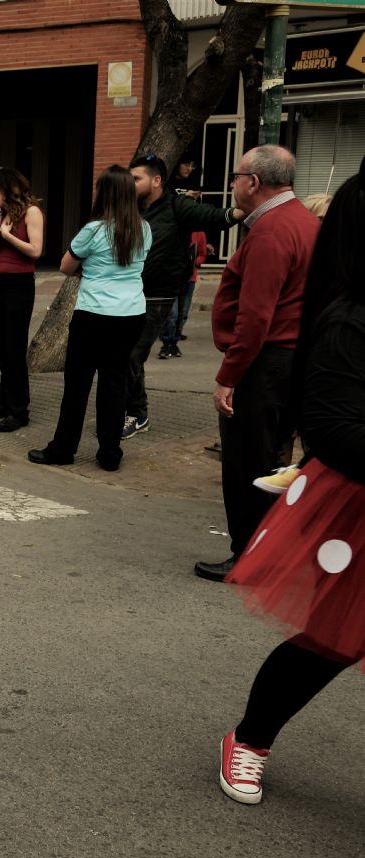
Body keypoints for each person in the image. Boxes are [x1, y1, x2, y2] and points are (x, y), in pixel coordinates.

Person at [216, 168, 364, 805]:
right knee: (332, 640)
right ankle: (249, 739)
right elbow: (332, 427)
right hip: (356, 504)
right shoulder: (349, 321)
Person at [195, 145, 320, 582]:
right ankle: (271, 550)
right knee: (272, 463)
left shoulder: (271, 231)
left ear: (253, 182)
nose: (231, 183)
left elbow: (255, 317)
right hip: (289, 360)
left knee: (249, 462)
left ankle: (248, 555)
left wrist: (228, 377)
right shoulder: (304, 221)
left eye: (235, 175)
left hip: (266, 364)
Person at [27, 165, 151, 472]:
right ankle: (110, 453)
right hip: (132, 314)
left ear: (105, 193)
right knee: (115, 384)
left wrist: (90, 267)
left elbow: (66, 267)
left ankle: (63, 449)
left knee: (78, 385)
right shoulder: (144, 229)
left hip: (94, 315)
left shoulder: (94, 230)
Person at [123, 153, 242, 440]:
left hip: (158, 297)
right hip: (126, 293)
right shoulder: (130, 208)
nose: (130, 183)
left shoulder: (178, 206)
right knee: (126, 356)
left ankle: (136, 413)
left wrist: (244, 210)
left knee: (131, 356)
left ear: (156, 180)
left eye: (136, 178)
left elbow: (215, 218)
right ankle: (134, 409)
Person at [0, 167, 43, 431]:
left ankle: (20, 411)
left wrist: (5, 235)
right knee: (2, 347)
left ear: (9, 188)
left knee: (15, 349)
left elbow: (35, 251)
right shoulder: (4, 214)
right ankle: (6, 403)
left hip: (19, 285)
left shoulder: (31, 211)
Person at [158, 230, 205, 360]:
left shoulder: (199, 232)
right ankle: (166, 343)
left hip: (188, 279)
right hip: (171, 279)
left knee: (183, 313)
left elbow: (202, 254)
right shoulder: (171, 230)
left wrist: (194, 262)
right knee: (171, 314)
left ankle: (174, 343)